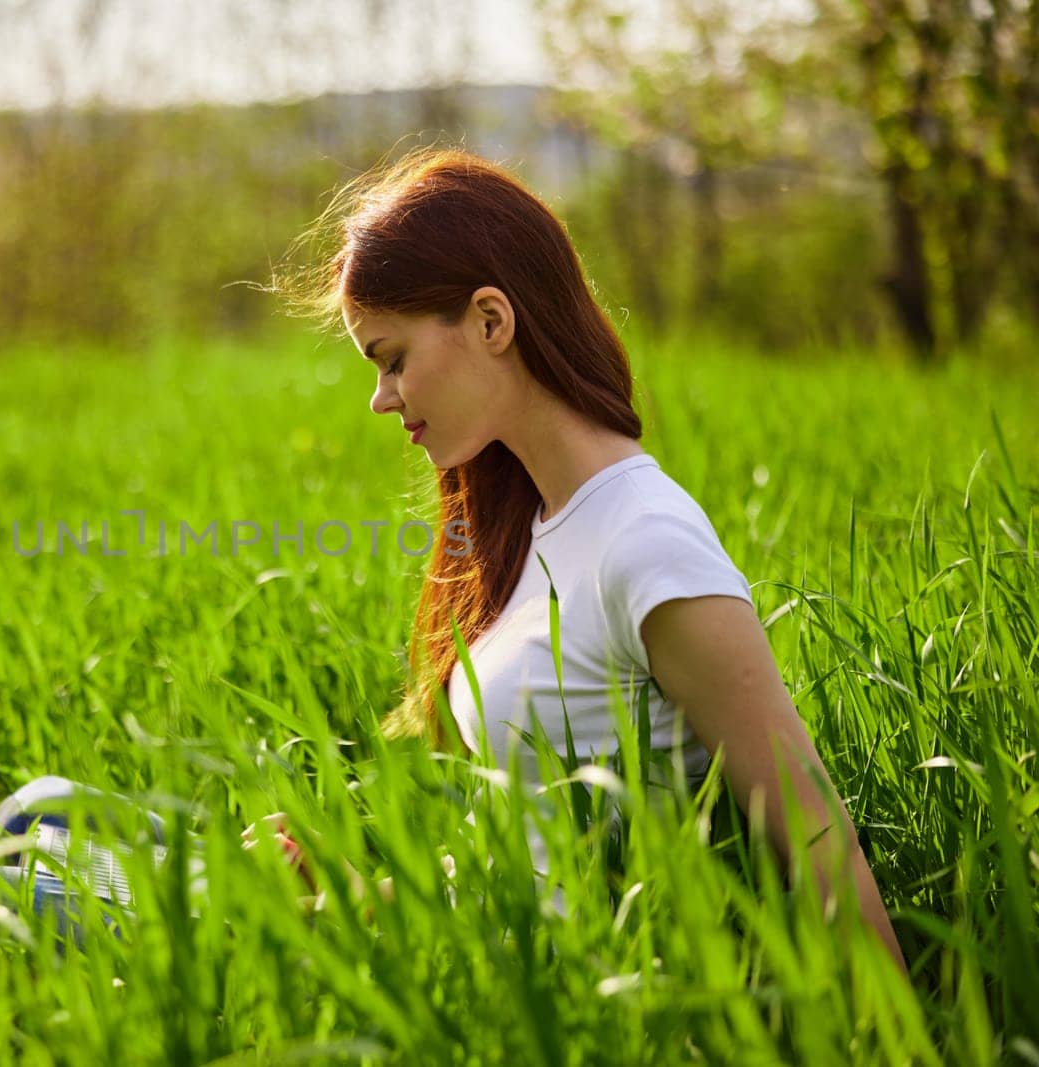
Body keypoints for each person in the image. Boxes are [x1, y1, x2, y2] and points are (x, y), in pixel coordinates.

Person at [258, 145, 909, 976]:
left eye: (392, 358)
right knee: (48, 829)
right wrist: (351, 892)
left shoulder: (645, 543)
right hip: (497, 994)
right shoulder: (523, 529)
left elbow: (823, 849)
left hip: (614, 1023)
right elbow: (535, 870)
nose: (381, 396)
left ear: (492, 321)